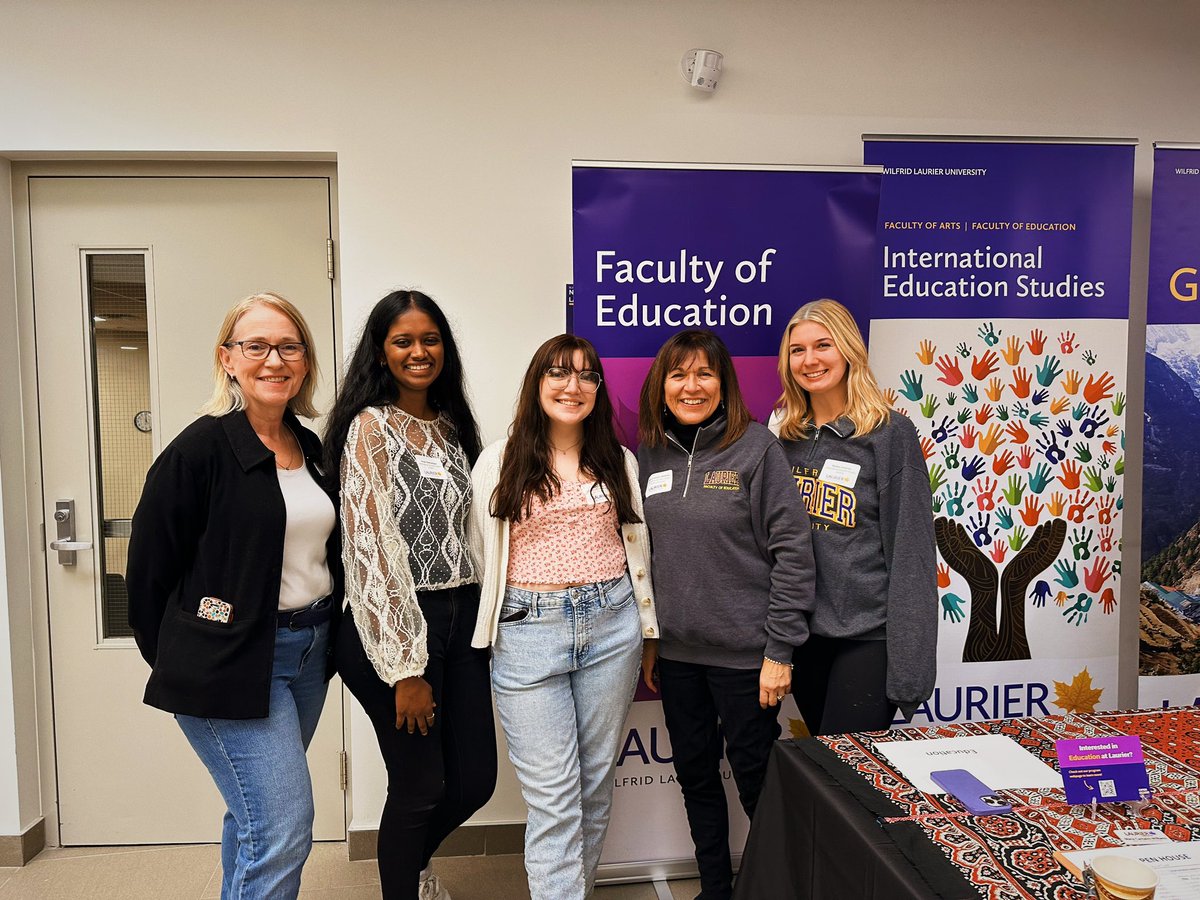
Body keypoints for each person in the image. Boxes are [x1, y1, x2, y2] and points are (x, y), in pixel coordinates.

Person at [128, 291, 340, 900]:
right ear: (227, 358)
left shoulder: (312, 449)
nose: (274, 359)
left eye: (289, 346)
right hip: (230, 661)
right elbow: (147, 571)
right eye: (256, 346)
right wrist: (186, 655)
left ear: (305, 362)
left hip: (307, 656)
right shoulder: (201, 450)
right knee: (282, 826)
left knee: (253, 817)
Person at [469, 334, 658, 900]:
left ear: (598, 389)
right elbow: (483, 552)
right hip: (529, 633)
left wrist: (648, 633)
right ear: (537, 383)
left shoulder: (616, 460)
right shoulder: (499, 460)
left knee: (595, 788)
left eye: (585, 376)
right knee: (554, 797)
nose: (571, 386)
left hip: (611, 626)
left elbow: (638, 551)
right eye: (558, 373)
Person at [322, 290, 496, 900]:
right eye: (403, 340)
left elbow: (471, 532)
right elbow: (371, 549)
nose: (419, 352)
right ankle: (402, 885)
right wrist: (405, 667)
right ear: (381, 351)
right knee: (420, 785)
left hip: (462, 616)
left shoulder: (452, 427)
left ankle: (408, 866)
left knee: (474, 780)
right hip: (392, 624)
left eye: (430, 339)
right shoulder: (370, 428)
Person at [636, 329, 815, 900]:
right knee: (694, 777)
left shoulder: (757, 448)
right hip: (680, 658)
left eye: (704, 374)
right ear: (662, 386)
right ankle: (717, 889)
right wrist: (651, 640)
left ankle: (772, 890)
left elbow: (793, 552)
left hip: (748, 659)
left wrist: (779, 651)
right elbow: (645, 557)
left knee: (758, 779)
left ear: (724, 383)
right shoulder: (650, 457)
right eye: (679, 375)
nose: (692, 386)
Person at [770, 298, 937, 735]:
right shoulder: (783, 438)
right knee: (827, 770)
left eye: (822, 345)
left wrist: (909, 670)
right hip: (805, 639)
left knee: (849, 778)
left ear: (848, 350)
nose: (810, 360)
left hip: (868, 636)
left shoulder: (889, 434)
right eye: (797, 350)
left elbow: (913, 555)